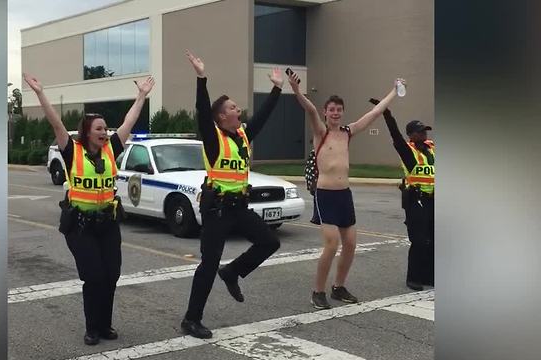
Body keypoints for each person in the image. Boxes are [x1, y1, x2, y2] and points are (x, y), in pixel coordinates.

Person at [23, 73, 155, 345]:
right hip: (80, 226)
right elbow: (56, 123)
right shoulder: (72, 151)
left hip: (107, 224)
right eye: (99, 129)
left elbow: (128, 122)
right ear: (87, 132)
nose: (104, 133)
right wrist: (40, 94)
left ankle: (105, 325)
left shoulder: (110, 150)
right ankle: (92, 327)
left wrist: (141, 96)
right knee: (94, 277)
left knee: (111, 276)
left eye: (106, 129)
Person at [180, 50, 282, 339]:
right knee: (208, 264)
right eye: (234, 108)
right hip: (217, 211)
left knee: (270, 241)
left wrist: (276, 89)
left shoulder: (243, 136)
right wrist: (202, 79)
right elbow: (202, 111)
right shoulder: (213, 139)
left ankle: (233, 272)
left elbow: (262, 117)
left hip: (239, 207)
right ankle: (191, 319)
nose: (239, 110)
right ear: (222, 116)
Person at [287, 70, 405, 309]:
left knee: (350, 244)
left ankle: (338, 286)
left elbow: (374, 113)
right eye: (331, 110)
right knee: (331, 245)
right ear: (325, 112)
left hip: (344, 194)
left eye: (339, 110)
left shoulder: (348, 133)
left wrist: (394, 91)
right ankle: (317, 291)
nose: (335, 113)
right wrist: (297, 91)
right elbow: (309, 109)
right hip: (325, 194)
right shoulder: (321, 133)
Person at [370, 98, 434, 291]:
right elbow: (396, 136)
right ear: (411, 135)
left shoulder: (432, 149)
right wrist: (387, 114)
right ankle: (413, 277)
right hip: (417, 200)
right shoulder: (408, 152)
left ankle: (429, 276)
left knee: (433, 240)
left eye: (425, 131)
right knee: (419, 241)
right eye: (420, 131)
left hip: (434, 201)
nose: (424, 133)